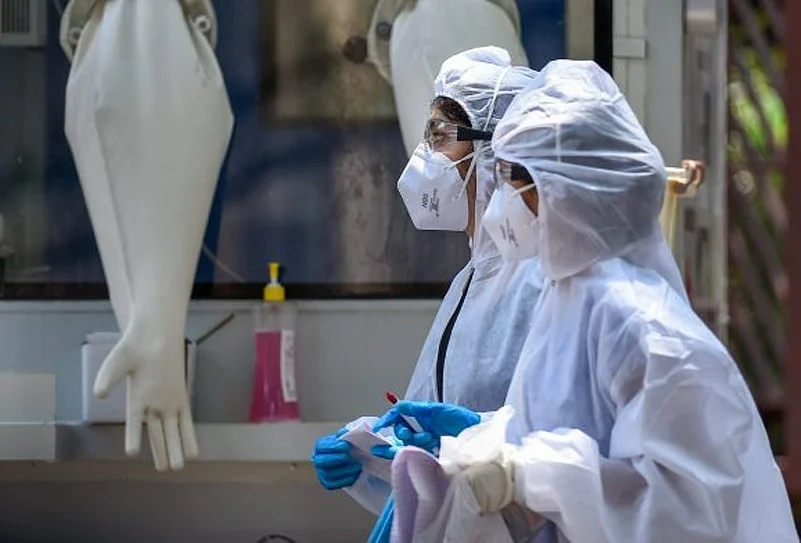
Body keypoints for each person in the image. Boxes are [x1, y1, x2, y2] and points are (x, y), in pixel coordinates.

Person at [376, 59, 799, 542]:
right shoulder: (569, 303)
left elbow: (687, 514)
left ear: (567, 188)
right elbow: (553, 430)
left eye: (515, 179)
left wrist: (524, 474)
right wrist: (481, 441)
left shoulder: (646, 328)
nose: (501, 198)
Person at [310, 46, 544, 531]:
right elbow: (431, 461)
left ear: (495, 150)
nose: (424, 155)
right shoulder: (472, 279)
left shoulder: (537, 280)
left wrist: (475, 434)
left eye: (439, 135)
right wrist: (372, 453)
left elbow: (559, 448)